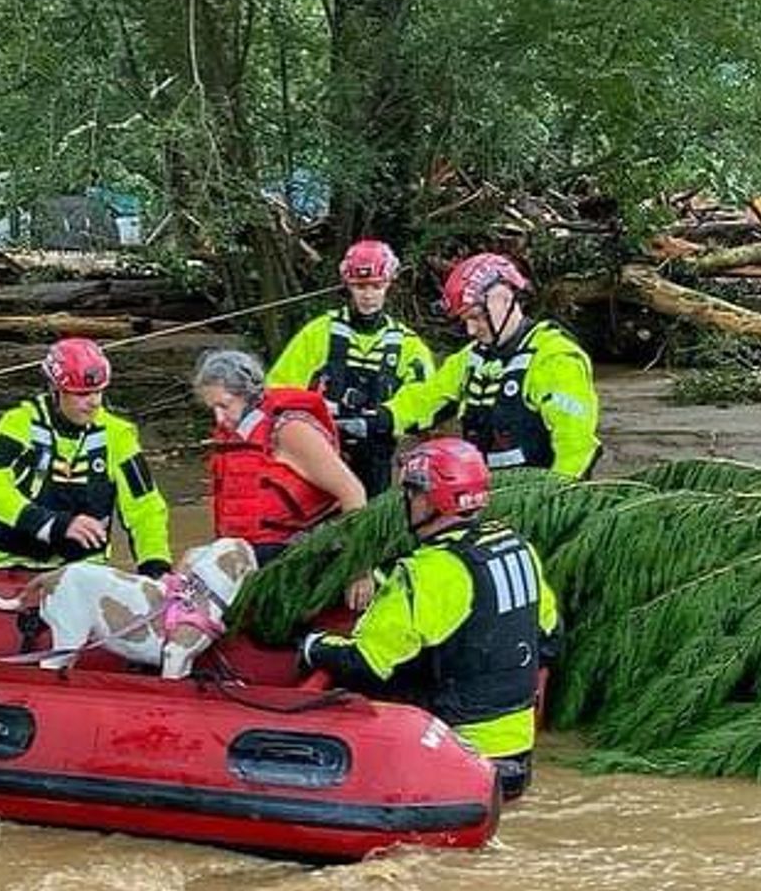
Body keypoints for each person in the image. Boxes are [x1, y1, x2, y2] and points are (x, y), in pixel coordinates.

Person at [297, 437, 558, 800]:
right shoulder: (517, 549)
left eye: (412, 493)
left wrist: (313, 647)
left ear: (431, 499)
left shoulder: (427, 573)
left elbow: (369, 663)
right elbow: (548, 636)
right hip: (515, 756)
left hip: (452, 758)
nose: (408, 501)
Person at [378, 252, 600, 478]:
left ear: (504, 299)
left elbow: (576, 446)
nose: (470, 330)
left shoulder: (554, 358)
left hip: (537, 494)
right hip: (486, 492)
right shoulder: (472, 358)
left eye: (476, 317)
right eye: (466, 321)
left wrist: (552, 501)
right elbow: (426, 398)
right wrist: (380, 417)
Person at [0, 336, 172, 576]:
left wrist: (156, 567)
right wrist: (54, 524)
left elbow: (145, 508)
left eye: (98, 392)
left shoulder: (118, 436)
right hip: (12, 566)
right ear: (55, 391)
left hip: (86, 573)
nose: (94, 402)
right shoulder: (18, 425)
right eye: (81, 394)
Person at [266, 238, 435, 495]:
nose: (368, 295)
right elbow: (278, 389)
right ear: (348, 286)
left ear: (388, 284)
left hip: (376, 456)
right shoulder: (319, 332)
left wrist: (382, 419)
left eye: (376, 286)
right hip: (322, 453)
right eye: (360, 287)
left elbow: (425, 401)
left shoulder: (408, 345)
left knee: (369, 523)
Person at [194, 347, 368, 567]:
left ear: (246, 395)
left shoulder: (290, 429)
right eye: (213, 409)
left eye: (224, 406)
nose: (218, 418)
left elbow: (353, 492)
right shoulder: (233, 437)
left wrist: (358, 566)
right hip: (249, 558)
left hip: (295, 559)